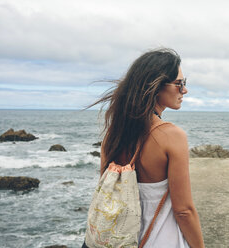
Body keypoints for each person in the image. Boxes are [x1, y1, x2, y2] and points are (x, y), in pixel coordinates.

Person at [87, 48, 204, 248]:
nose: (184, 90)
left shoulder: (113, 135)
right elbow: (184, 210)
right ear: (156, 86)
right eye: (179, 84)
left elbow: (106, 192)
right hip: (160, 241)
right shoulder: (172, 136)